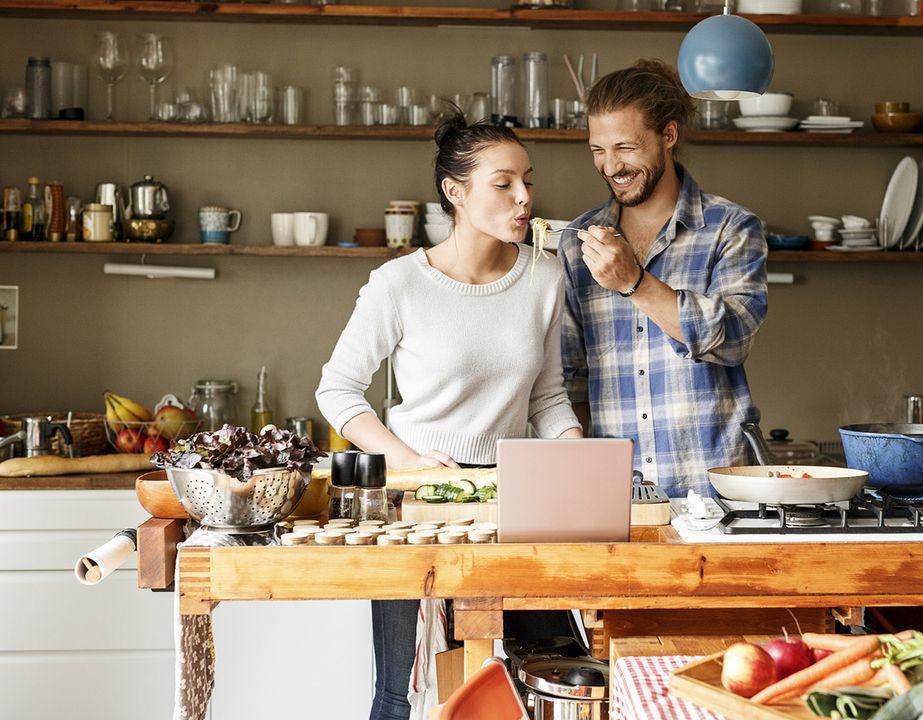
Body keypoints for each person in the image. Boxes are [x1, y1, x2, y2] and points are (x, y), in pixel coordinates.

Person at [316, 112, 582, 720]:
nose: (523, 198)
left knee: (542, 671)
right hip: (413, 503)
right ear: (454, 192)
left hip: (512, 500)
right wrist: (405, 459)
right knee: (403, 691)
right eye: (503, 183)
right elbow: (338, 391)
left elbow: (546, 397)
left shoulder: (544, 277)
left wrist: (576, 453)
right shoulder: (398, 284)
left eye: (528, 182)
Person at [559, 59, 769, 497]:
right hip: (617, 493)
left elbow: (733, 339)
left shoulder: (731, 227)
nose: (610, 166)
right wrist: (578, 479)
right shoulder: (578, 243)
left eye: (625, 148)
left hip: (716, 491)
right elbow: (572, 377)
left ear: (668, 136)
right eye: (598, 150)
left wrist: (634, 282)